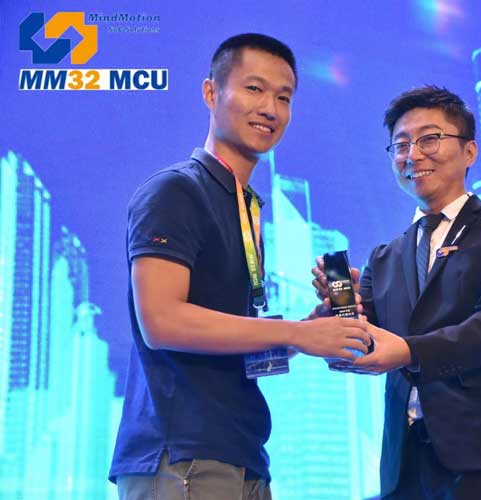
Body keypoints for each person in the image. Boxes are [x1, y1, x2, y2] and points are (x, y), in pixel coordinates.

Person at [109, 33, 370, 500]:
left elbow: (235, 345)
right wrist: (294, 334)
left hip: (242, 453)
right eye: (254, 89)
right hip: (182, 456)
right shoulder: (176, 191)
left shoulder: (246, 208)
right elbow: (161, 322)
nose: (270, 108)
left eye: (283, 97)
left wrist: (310, 329)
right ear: (211, 92)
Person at [313, 86, 481, 499]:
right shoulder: (384, 257)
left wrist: (409, 351)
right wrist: (339, 314)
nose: (413, 155)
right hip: (404, 468)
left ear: (469, 151)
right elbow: (365, 342)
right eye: (401, 145)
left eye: (429, 139)